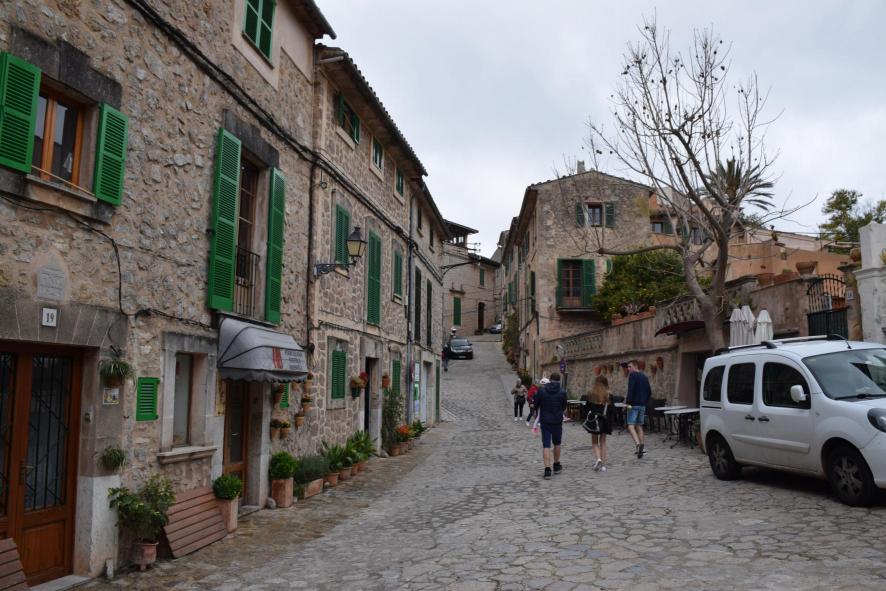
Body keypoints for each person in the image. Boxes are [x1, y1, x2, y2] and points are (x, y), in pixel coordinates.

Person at [535, 373, 567, 479]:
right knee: (557, 443)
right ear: (559, 381)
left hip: (545, 421)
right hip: (557, 421)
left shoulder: (542, 391)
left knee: (546, 445)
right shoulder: (562, 392)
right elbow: (564, 407)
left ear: (550, 380)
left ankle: (547, 470)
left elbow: (536, 404)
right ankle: (556, 465)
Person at [625, 360, 652, 458]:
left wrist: (628, 403)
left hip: (633, 405)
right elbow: (649, 391)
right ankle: (642, 447)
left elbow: (631, 390)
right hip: (642, 405)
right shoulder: (644, 377)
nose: (628, 369)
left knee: (630, 425)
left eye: (630, 366)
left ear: (635, 366)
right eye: (628, 367)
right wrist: (645, 402)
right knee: (639, 425)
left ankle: (638, 444)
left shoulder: (632, 375)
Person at [586, 376, 613, 471]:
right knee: (603, 442)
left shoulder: (591, 394)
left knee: (594, 442)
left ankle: (598, 458)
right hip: (605, 420)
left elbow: (587, 408)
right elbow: (612, 410)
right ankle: (603, 465)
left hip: (595, 420)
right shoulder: (609, 395)